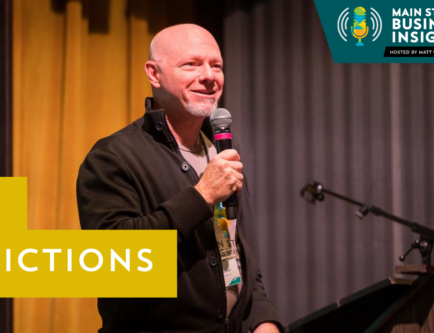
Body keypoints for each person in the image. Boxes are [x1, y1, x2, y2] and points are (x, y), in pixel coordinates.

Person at [77, 24, 283, 333]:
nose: (209, 76)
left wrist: (263, 319)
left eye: (217, 66)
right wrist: (201, 196)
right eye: (192, 64)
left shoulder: (223, 147)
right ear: (154, 74)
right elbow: (114, 261)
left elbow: (238, 250)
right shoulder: (113, 156)